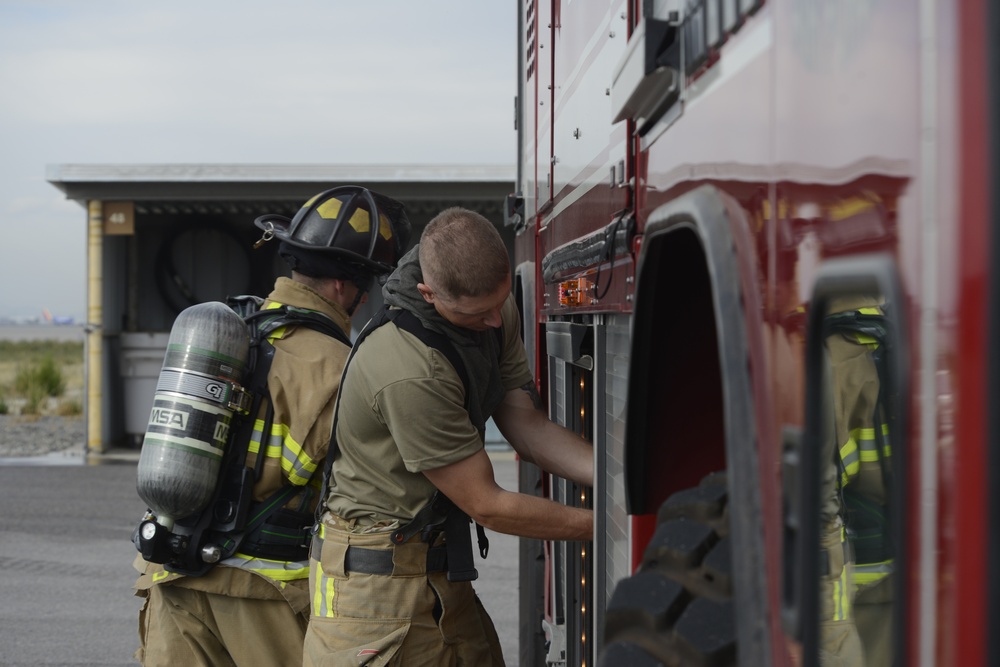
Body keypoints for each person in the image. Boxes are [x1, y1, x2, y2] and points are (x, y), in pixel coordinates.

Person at [132, 185, 411, 667]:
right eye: (366, 288)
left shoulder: (235, 331)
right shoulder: (340, 366)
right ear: (344, 288)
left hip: (171, 575)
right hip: (262, 593)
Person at [303, 207, 594, 666]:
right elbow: (487, 503)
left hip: (437, 574)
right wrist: (608, 525)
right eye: (479, 314)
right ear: (428, 293)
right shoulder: (410, 369)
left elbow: (527, 425)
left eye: (500, 304)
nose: (497, 322)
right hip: (374, 601)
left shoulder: (488, 309)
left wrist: (615, 479)